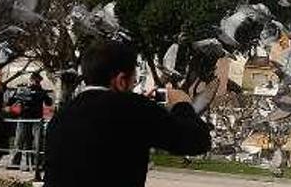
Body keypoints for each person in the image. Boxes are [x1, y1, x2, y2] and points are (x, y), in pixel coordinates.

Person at [44, 40, 211, 187]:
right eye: (133, 80)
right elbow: (198, 141)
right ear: (121, 80)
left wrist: (140, 107)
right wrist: (182, 104)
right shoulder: (134, 109)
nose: (133, 86)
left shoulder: (62, 116)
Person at [9, 72, 53, 169]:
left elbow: (49, 103)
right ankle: (15, 163)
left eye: (37, 81)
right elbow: (12, 100)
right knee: (19, 141)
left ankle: (36, 164)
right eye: (33, 80)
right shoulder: (24, 89)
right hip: (24, 117)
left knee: (37, 143)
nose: (35, 83)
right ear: (31, 80)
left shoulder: (41, 92)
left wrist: (42, 92)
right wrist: (18, 92)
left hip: (37, 119)